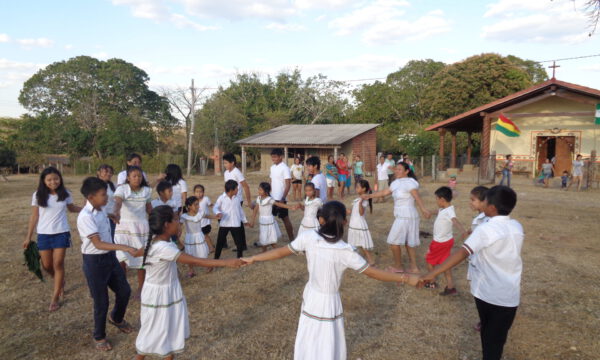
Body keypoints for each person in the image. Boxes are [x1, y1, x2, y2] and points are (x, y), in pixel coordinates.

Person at [241, 201, 419, 360]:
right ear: (345, 223)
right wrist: (404, 278)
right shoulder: (346, 251)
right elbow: (374, 273)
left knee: (309, 335)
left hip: (311, 296)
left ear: (321, 220)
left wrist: (254, 258)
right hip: (329, 301)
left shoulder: (309, 238)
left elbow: (280, 252)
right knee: (328, 340)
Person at [419, 185, 523, 360]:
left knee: (490, 342)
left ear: (491, 207)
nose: (482, 203)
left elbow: (461, 253)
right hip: (510, 295)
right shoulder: (516, 226)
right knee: (495, 339)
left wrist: (431, 274)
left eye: (485, 200)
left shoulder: (486, 229)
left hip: (489, 294)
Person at [134, 206, 243, 360]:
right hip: (160, 296)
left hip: (164, 292)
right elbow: (195, 261)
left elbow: (140, 252)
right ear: (166, 224)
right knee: (153, 333)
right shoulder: (164, 248)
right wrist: (227, 262)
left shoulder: (157, 242)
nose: (179, 222)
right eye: (176, 219)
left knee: (167, 331)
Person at [77, 177, 137, 351]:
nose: (106, 198)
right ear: (91, 197)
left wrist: (111, 215)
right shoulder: (85, 217)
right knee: (101, 301)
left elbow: (105, 217)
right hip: (95, 262)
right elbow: (98, 243)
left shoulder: (100, 209)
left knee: (124, 291)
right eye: (103, 195)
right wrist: (124, 247)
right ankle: (99, 336)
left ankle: (117, 318)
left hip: (110, 258)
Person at [23, 167, 82, 311]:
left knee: (58, 264)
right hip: (43, 234)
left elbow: (72, 208)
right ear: (43, 181)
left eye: (56, 179)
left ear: (60, 179)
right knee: (46, 265)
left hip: (61, 233)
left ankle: (55, 297)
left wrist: (87, 208)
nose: (53, 182)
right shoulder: (38, 195)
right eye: (49, 179)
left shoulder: (65, 193)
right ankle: (59, 280)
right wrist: (28, 237)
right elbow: (34, 216)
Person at [363, 162, 431, 274]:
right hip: (402, 215)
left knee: (394, 241)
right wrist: (369, 196)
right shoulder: (396, 183)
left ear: (407, 171)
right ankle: (414, 268)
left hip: (407, 215)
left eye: (400, 169)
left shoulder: (410, 182)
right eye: (396, 169)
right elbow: (385, 192)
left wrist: (423, 209)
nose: (397, 171)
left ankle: (398, 266)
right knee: (408, 242)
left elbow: (416, 196)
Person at [113, 166, 152, 300]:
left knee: (142, 259)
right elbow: (118, 202)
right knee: (121, 258)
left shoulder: (147, 191)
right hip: (123, 228)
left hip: (141, 228)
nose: (137, 178)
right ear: (128, 178)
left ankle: (141, 288)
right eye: (134, 176)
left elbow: (149, 209)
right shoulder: (122, 189)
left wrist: (158, 222)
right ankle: (123, 288)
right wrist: (116, 211)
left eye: (139, 176)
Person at [424, 186, 468, 295]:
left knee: (429, 261)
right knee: (445, 264)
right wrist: (430, 212)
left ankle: (432, 282)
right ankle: (450, 287)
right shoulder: (445, 208)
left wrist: (463, 231)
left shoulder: (449, 212)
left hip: (439, 243)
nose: (436, 201)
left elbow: (455, 220)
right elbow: (438, 211)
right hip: (447, 241)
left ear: (442, 200)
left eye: (436, 199)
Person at [249, 183, 298, 252]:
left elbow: (279, 204)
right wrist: (252, 221)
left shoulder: (269, 199)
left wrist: (290, 207)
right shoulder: (258, 199)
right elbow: (255, 210)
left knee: (267, 239)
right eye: (258, 189)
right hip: (262, 222)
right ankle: (274, 252)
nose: (259, 191)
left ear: (266, 191)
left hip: (269, 221)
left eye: (260, 190)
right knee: (266, 239)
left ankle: (266, 253)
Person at [180, 196, 220, 277]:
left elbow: (207, 216)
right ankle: (191, 270)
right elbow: (179, 225)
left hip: (199, 236)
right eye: (195, 205)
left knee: (202, 252)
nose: (198, 206)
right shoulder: (184, 216)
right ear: (189, 206)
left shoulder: (200, 214)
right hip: (190, 238)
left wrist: (216, 217)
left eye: (198, 204)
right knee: (189, 254)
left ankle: (208, 266)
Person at [468, 185, 490, 332]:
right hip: (476, 262)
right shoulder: (480, 217)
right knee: (477, 292)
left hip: (483, 263)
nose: (470, 203)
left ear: (484, 202)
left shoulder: (488, 220)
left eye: (473, 200)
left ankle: (486, 321)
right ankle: (484, 319)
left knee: (483, 295)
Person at [223, 153, 251, 250]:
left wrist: (249, 201)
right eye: (224, 163)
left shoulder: (237, 172)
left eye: (226, 163)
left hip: (237, 201)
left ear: (232, 163)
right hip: (228, 200)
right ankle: (228, 243)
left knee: (236, 222)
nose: (225, 165)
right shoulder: (226, 173)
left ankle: (241, 245)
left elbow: (246, 186)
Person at [213, 180, 248, 259]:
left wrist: (245, 221)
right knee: (220, 243)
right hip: (224, 224)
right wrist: (218, 212)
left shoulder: (237, 198)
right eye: (236, 188)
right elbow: (215, 207)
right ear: (231, 190)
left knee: (239, 243)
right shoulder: (221, 198)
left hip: (236, 224)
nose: (237, 190)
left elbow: (240, 211)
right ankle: (216, 259)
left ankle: (240, 258)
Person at [347, 179, 375, 266]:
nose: (356, 188)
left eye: (358, 187)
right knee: (354, 243)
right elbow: (354, 212)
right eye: (356, 187)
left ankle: (371, 261)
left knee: (363, 244)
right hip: (353, 224)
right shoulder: (357, 199)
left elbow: (361, 213)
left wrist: (360, 203)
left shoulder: (364, 200)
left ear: (364, 189)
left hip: (359, 224)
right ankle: (355, 260)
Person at [269, 148, 294, 242]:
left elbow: (288, 184)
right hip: (272, 198)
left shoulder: (285, 168)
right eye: (272, 157)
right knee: (268, 218)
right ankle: (269, 239)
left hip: (281, 198)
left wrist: (283, 198)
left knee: (285, 218)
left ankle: (292, 239)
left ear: (281, 157)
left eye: (275, 157)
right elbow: (271, 181)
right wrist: (268, 194)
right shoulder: (272, 167)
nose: (273, 159)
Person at [96, 164, 117, 240]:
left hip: (113, 218)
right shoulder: (94, 185)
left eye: (110, 172)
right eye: (106, 171)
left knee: (113, 239)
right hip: (101, 217)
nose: (109, 174)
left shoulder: (114, 185)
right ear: (98, 172)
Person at [193, 184, 215, 252]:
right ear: (194, 193)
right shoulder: (193, 201)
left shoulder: (206, 199)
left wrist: (218, 210)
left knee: (205, 236)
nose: (199, 193)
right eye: (197, 192)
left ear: (203, 192)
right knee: (202, 236)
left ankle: (211, 248)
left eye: (201, 192)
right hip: (198, 223)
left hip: (205, 223)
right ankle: (209, 246)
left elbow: (212, 206)